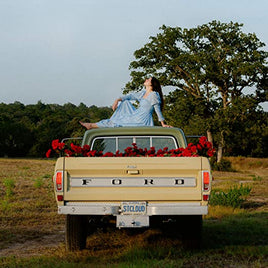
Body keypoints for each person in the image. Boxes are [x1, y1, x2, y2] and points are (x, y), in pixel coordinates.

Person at [79, 77, 172, 129]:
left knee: (117, 123)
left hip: (142, 120)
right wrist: (117, 100)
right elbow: (130, 96)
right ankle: (93, 125)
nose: (146, 79)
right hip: (136, 115)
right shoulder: (143, 93)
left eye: (148, 79)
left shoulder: (154, 95)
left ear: (152, 84)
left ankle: (91, 125)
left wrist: (163, 124)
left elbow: (157, 110)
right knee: (125, 102)